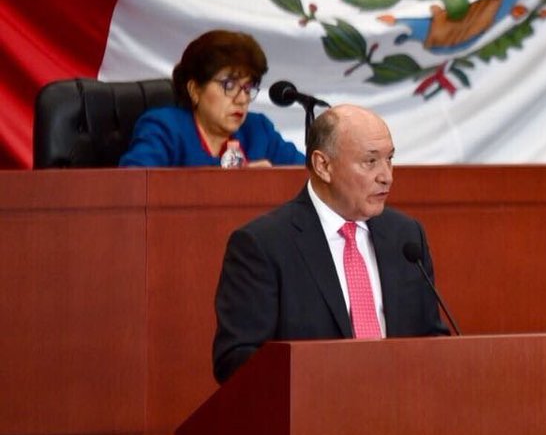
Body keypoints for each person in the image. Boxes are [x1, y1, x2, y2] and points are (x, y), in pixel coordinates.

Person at [212, 104, 448, 382]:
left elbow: (432, 339)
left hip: (399, 412)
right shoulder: (263, 245)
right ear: (323, 165)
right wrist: (325, 377)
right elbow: (235, 360)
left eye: (390, 159)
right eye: (370, 162)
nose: (387, 175)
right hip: (311, 414)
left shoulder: (405, 236)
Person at [119, 29, 305, 167]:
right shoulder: (165, 128)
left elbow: (305, 176)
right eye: (229, 85)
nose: (242, 99)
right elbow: (134, 187)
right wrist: (239, 182)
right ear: (194, 90)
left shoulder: (258, 130)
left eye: (247, 88)